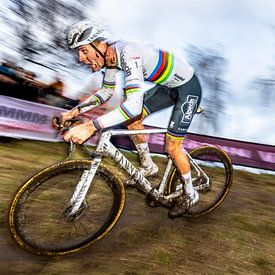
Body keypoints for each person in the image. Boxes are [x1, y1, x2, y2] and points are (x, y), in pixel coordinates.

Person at [61, 20, 202, 218]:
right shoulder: (110, 58)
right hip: (166, 88)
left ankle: (190, 193)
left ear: (98, 44)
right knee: (132, 120)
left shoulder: (128, 52)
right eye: (79, 53)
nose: (81, 58)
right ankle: (148, 166)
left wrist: (91, 127)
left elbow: (133, 104)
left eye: (84, 51)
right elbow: (105, 92)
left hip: (187, 88)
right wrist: (75, 111)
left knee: (172, 146)